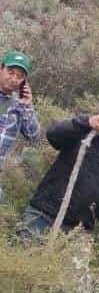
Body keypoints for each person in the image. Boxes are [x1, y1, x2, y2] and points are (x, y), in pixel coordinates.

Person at [18, 110, 99, 237]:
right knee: (22, 253)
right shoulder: (83, 134)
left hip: (78, 231)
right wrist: (85, 122)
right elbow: (53, 135)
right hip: (44, 215)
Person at [0, 50, 41, 193]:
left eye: (19, 76)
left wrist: (27, 106)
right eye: (10, 72)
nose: (13, 79)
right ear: (1, 69)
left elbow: (33, 136)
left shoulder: (19, 105)